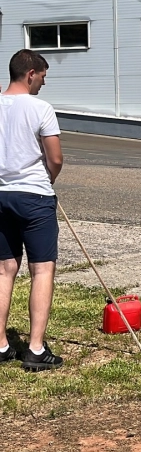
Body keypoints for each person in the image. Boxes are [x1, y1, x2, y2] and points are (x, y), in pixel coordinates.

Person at [0, 50, 64, 371]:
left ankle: (0, 344)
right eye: (42, 77)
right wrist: (47, 182)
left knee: (3, 269)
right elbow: (55, 158)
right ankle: (35, 349)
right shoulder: (41, 108)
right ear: (30, 74)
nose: (43, 83)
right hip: (34, 197)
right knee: (42, 270)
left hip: (1, 195)